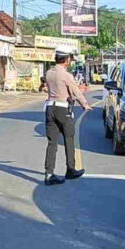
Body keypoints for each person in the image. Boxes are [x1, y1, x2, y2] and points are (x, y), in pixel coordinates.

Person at [44, 50, 92, 185]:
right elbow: (75, 92)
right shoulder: (66, 75)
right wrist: (85, 104)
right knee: (69, 138)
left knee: (52, 142)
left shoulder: (49, 73)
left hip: (49, 107)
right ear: (66, 61)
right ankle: (70, 169)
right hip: (62, 108)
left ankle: (49, 173)